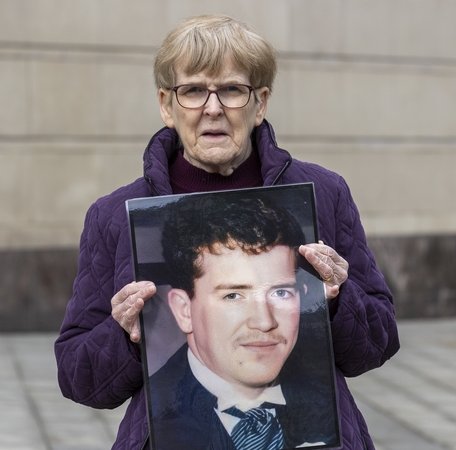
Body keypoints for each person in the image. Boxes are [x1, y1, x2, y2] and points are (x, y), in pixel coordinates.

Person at [55, 14, 400, 450]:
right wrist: (124, 335)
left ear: (261, 104)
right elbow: (78, 379)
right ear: (166, 105)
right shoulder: (114, 216)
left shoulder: (323, 194)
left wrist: (337, 300)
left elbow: (377, 344)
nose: (213, 108)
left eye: (233, 90)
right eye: (193, 91)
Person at [148, 195, 338, 449]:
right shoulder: (155, 420)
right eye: (233, 296)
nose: (264, 322)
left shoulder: (330, 401)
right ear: (184, 311)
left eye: (281, 292)